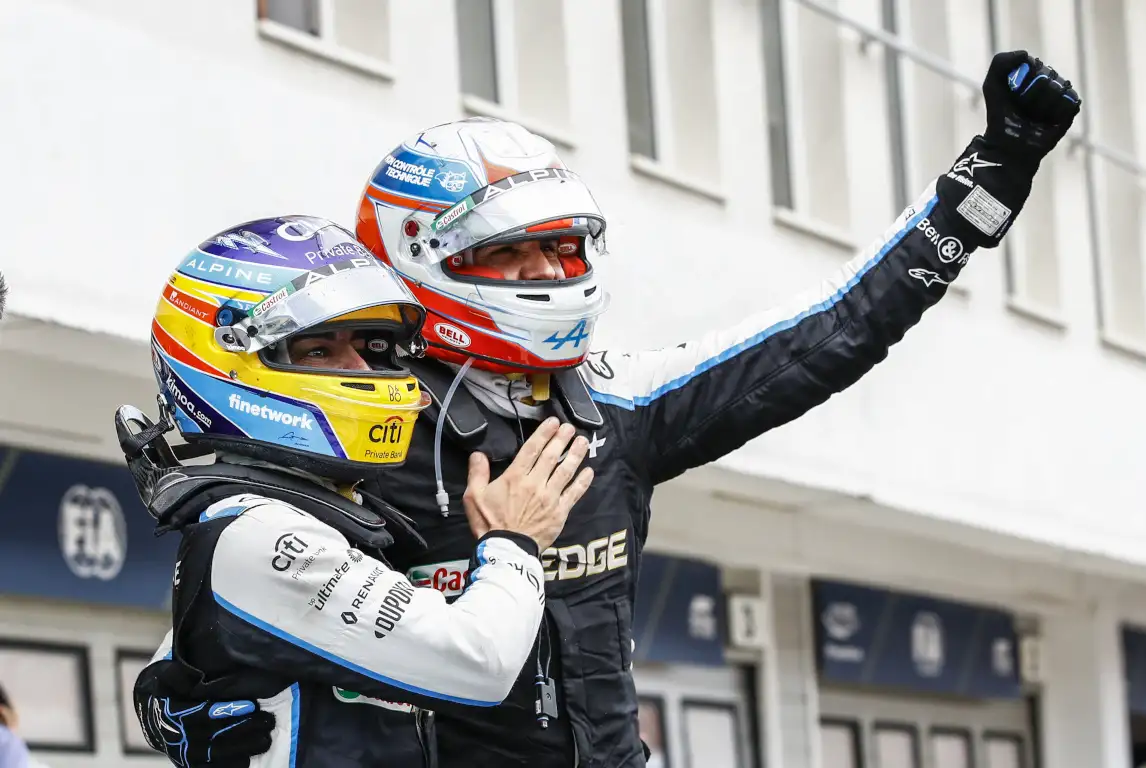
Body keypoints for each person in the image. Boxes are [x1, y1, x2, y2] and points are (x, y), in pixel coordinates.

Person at [136, 50, 1080, 768]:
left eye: (563, 248)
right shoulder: (351, 415)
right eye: (513, 253)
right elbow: (240, 570)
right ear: (421, 252)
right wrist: (177, 685)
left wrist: (986, 183)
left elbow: (827, 332)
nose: (548, 275)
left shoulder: (618, 402)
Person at [121, 216, 594, 766]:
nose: (362, 369)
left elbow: (208, 653)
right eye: (320, 351)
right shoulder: (255, 532)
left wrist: (165, 683)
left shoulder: (302, 518)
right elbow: (481, 663)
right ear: (229, 360)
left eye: (370, 347)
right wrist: (514, 541)